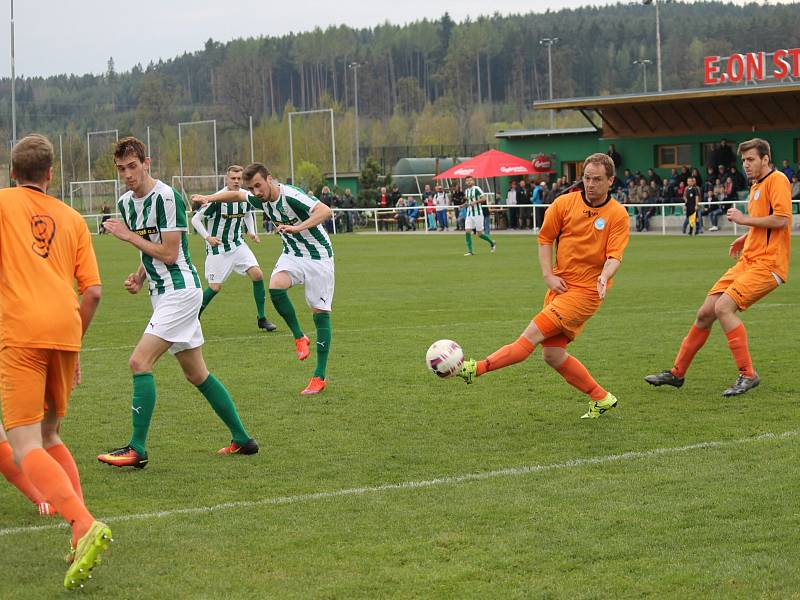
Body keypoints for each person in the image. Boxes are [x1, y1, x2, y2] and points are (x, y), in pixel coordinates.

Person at [99, 137, 258, 468]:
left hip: (182, 292)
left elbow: (170, 253)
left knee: (139, 362)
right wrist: (139, 277)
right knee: (197, 374)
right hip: (161, 295)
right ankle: (243, 439)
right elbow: (150, 247)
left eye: (132, 166)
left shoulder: (168, 196)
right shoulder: (126, 203)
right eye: (121, 169)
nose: (127, 174)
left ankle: (137, 450)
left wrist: (127, 236)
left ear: (147, 163)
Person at [0, 134, 110, 589]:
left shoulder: (2, 205)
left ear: (11, 173)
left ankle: (82, 524)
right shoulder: (71, 218)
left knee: (24, 443)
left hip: (21, 329)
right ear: (51, 174)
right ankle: (75, 533)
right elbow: (94, 291)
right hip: (66, 329)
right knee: (50, 434)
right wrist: (75, 343)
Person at [456, 153, 630, 418]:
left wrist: (604, 276)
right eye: (586, 178)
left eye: (597, 179)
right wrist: (548, 275)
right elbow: (545, 238)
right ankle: (601, 397)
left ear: (611, 181)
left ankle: (475, 368)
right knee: (553, 355)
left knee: (529, 338)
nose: (590, 184)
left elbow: (614, 256)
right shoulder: (564, 204)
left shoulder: (617, 214)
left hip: (585, 294)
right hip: (559, 288)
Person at [645, 138, 791, 397]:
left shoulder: (777, 180)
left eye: (751, 159)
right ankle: (677, 373)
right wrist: (746, 236)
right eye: (744, 160)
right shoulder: (757, 185)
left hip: (768, 265)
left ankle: (748, 374)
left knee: (724, 308)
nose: (746, 165)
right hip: (748, 261)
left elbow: (781, 220)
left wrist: (745, 220)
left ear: (766, 159)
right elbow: (766, 224)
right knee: (705, 313)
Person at [193, 162, 335, 395]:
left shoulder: (291, 196)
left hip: (319, 256)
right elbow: (238, 194)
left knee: (320, 313)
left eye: (258, 185)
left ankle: (319, 376)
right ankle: (299, 336)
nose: (256, 192)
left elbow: (325, 211)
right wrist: (210, 197)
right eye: (252, 187)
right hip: (293, 254)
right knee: (275, 286)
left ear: (270, 179)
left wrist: (297, 229)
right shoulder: (257, 198)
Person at [191, 165, 277, 331]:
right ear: (227, 179)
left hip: (238, 246)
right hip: (219, 249)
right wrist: (208, 237)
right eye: (233, 178)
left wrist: (251, 231)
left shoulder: (245, 197)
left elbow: (247, 214)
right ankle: (193, 316)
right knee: (215, 287)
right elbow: (195, 220)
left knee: (258, 275)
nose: (237, 181)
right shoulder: (218, 199)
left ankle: (262, 318)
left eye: (239, 179)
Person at [461, 176, 496, 256]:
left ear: (473, 181)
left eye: (470, 180)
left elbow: (484, 198)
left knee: (479, 234)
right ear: (465, 182)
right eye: (467, 181)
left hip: (478, 213)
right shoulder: (466, 191)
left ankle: (492, 243)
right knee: (467, 231)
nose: (469, 182)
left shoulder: (477, 189)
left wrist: (475, 202)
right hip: (469, 214)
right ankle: (470, 251)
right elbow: (469, 202)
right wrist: (463, 205)